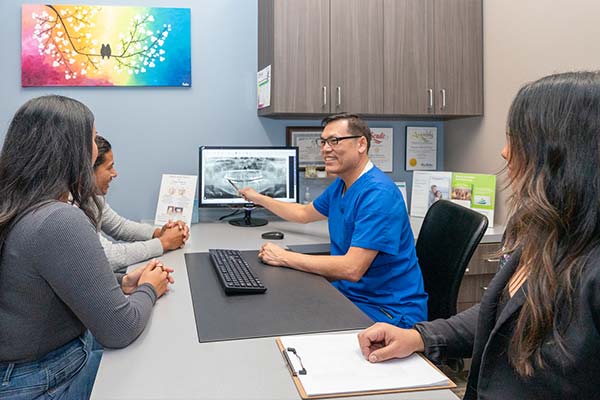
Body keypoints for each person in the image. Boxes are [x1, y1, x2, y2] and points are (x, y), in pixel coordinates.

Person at [357, 72, 600, 399]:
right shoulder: (543, 235)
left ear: (564, 152)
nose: (503, 152)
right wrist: (420, 337)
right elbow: (499, 315)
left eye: (517, 137)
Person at [0, 95, 174, 399]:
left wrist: (121, 283)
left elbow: (37, 287)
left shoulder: (17, 204)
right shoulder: (58, 219)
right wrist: (149, 287)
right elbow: (120, 329)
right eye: (92, 138)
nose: (95, 148)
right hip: (47, 377)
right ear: (73, 149)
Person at [240, 113, 427, 328]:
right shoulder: (343, 184)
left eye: (334, 141)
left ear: (361, 144)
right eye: (323, 142)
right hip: (352, 295)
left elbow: (351, 268)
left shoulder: (379, 194)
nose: (325, 149)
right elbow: (302, 214)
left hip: (387, 311)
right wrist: (258, 198)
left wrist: (284, 257)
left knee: (286, 320)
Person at [93, 135, 189, 273]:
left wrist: (159, 233)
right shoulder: (71, 208)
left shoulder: (91, 197)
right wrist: (164, 242)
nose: (115, 174)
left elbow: (119, 227)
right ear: (88, 170)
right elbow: (108, 257)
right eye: (109, 168)